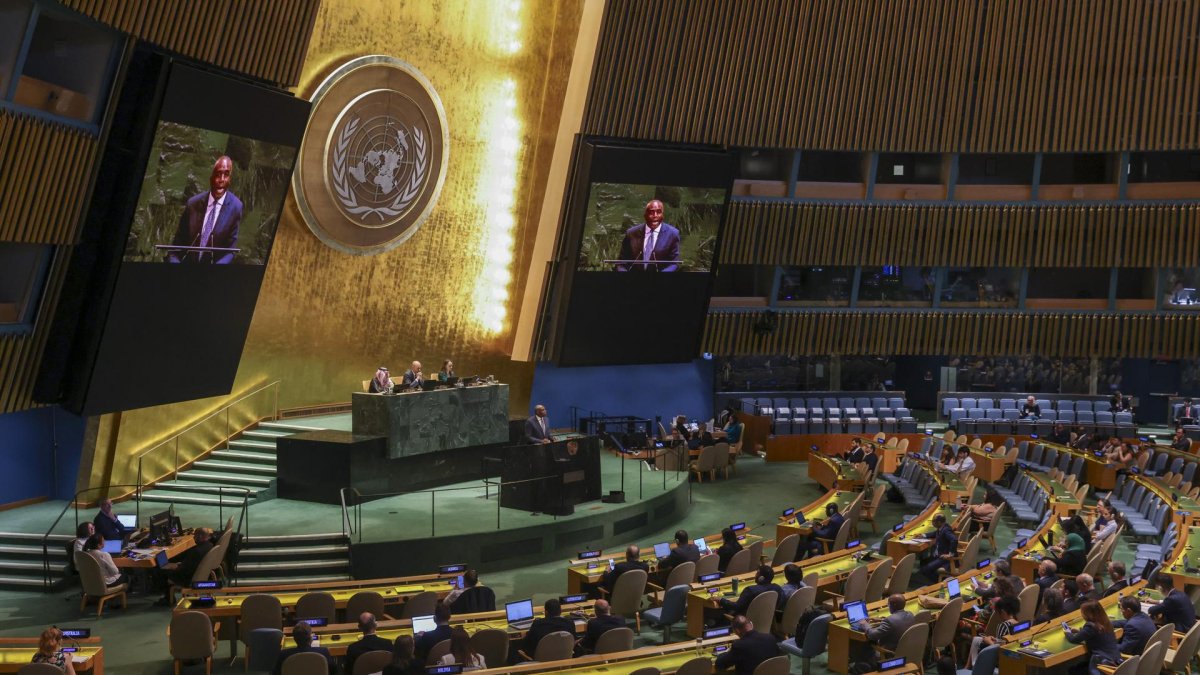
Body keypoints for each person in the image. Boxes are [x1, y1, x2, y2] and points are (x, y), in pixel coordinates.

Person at [169, 155, 242, 264]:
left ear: (230, 178)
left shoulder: (235, 207)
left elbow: (229, 251)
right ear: (211, 177)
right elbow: (176, 247)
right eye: (218, 174)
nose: (221, 179)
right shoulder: (193, 204)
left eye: (226, 174)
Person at [848, 593, 916, 674]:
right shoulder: (910, 615)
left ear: (893, 605)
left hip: (890, 654)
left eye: (888, 604)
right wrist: (882, 620)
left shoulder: (890, 621)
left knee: (863, 643)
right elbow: (897, 621)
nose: (888, 606)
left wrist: (865, 625)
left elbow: (872, 635)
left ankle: (859, 668)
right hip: (906, 650)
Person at [615, 199, 681, 272]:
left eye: (658, 212)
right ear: (645, 215)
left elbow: (674, 263)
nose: (655, 215)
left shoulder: (672, 234)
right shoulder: (631, 233)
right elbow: (621, 262)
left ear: (663, 214)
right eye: (651, 212)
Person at [1064, 600, 1121, 675]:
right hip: (1116, 660)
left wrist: (1067, 633)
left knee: (1072, 670)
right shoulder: (1106, 621)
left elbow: (1073, 639)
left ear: (1088, 614)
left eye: (1083, 612)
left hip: (1102, 664)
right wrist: (1079, 631)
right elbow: (1096, 634)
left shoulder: (1090, 626)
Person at [159, 527, 213, 604]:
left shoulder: (196, 552)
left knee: (161, 570)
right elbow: (189, 564)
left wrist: (174, 567)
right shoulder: (209, 545)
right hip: (198, 573)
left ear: (200, 537)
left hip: (188, 578)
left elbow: (184, 570)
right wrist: (179, 564)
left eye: (195, 536)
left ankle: (168, 599)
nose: (194, 538)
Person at [714, 615, 780, 674]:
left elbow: (720, 664)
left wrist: (725, 653)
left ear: (737, 631)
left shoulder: (739, 646)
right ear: (751, 624)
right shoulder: (770, 638)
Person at [968, 596, 1019, 668]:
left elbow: (999, 650)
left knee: (977, 641)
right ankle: (967, 667)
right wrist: (996, 640)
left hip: (1003, 661)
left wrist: (989, 641)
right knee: (976, 639)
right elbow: (1004, 643)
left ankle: (970, 667)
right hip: (1013, 656)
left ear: (1002, 612)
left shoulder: (1003, 626)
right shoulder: (1018, 623)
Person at [920, 513, 958, 581]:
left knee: (925, 569)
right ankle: (936, 577)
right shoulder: (942, 527)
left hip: (945, 559)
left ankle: (936, 582)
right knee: (923, 562)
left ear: (939, 522)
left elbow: (954, 540)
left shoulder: (946, 530)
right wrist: (923, 535)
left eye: (933, 521)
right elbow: (934, 533)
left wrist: (950, 554)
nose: (932, 523)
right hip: (939, 555)